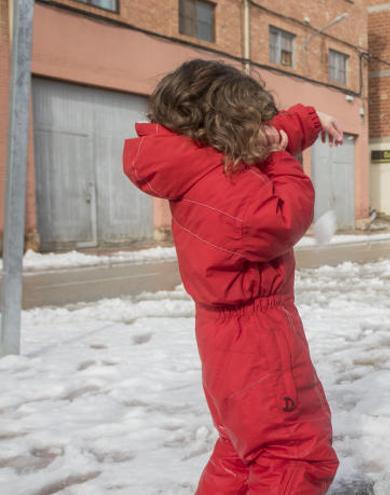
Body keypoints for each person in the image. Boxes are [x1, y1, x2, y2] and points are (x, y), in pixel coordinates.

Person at [122, 59, 341, 493]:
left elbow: (262, 138)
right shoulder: (218, 180)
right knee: (295, 452)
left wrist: (311, 120)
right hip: (256, 336)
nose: (263, 131)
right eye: (253, 121)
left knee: (244, 450)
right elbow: (280, 220)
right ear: (227, 126)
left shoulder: (198, 158)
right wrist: (281, 157)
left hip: (228, 338)